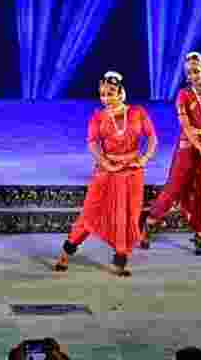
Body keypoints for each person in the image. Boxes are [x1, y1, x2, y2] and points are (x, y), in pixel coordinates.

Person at [53, 71, 158, 277]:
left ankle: (121, 260)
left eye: (110, 93)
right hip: (107, 172)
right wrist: (106, 164)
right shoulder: (98, 117)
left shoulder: (138, 112)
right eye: (102, 94)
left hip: (132, 172)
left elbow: (152, 137)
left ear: (121, 93)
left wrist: (144, 159)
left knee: (128, 215)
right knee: (91, 213)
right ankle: (66, 252)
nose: (105, 98)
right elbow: (93, 144)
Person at [142, 52, 201, 255]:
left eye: (198, 71)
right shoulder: (184, 95)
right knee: (175, 186)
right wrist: (198, 145)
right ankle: (149, 226)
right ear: (187, 77)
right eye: (191, 73)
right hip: (188, 144)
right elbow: (185, 126)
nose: (195, 75)